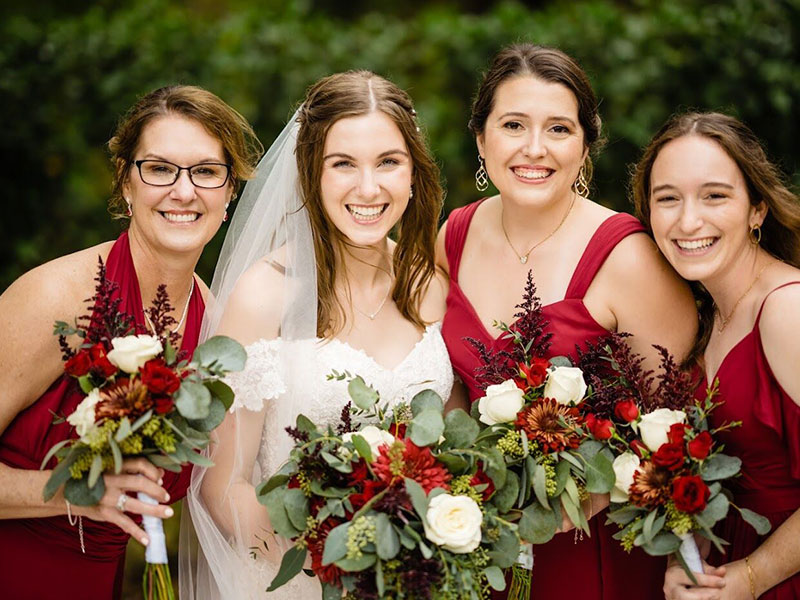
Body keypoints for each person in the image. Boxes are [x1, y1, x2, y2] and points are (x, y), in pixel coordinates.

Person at [437, 44, 698, 600]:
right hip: (476, 541)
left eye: (559, 129)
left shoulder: (630, 257)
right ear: (481, 139)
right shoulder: (451, 238)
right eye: (513, 125)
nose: (535, 149)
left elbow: (675, 422)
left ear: (585, 146)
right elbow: (449, 385)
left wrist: (592, 482)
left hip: (593, 545)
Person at [181, 70, 454, 599]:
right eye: (343, 164)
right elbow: (222, 486)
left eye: (389, 162)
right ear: (311, 173)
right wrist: (331, 577)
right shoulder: (264, 296)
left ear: (414, 174)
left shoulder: (430, 285)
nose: (369, 187)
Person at [0, 85, 262, 599]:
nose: (184, 192)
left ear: (229, 192)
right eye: (160, 169)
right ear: (125, 182)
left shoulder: (214, 325)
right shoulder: (56, 298)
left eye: (206, 172)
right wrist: (77, 492)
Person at [632, 112, 800, 600]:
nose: (688, 221)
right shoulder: (706, 313)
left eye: (715, 195)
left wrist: (753, 577)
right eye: (668, 199)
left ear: (757, 208)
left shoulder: (786, 309)